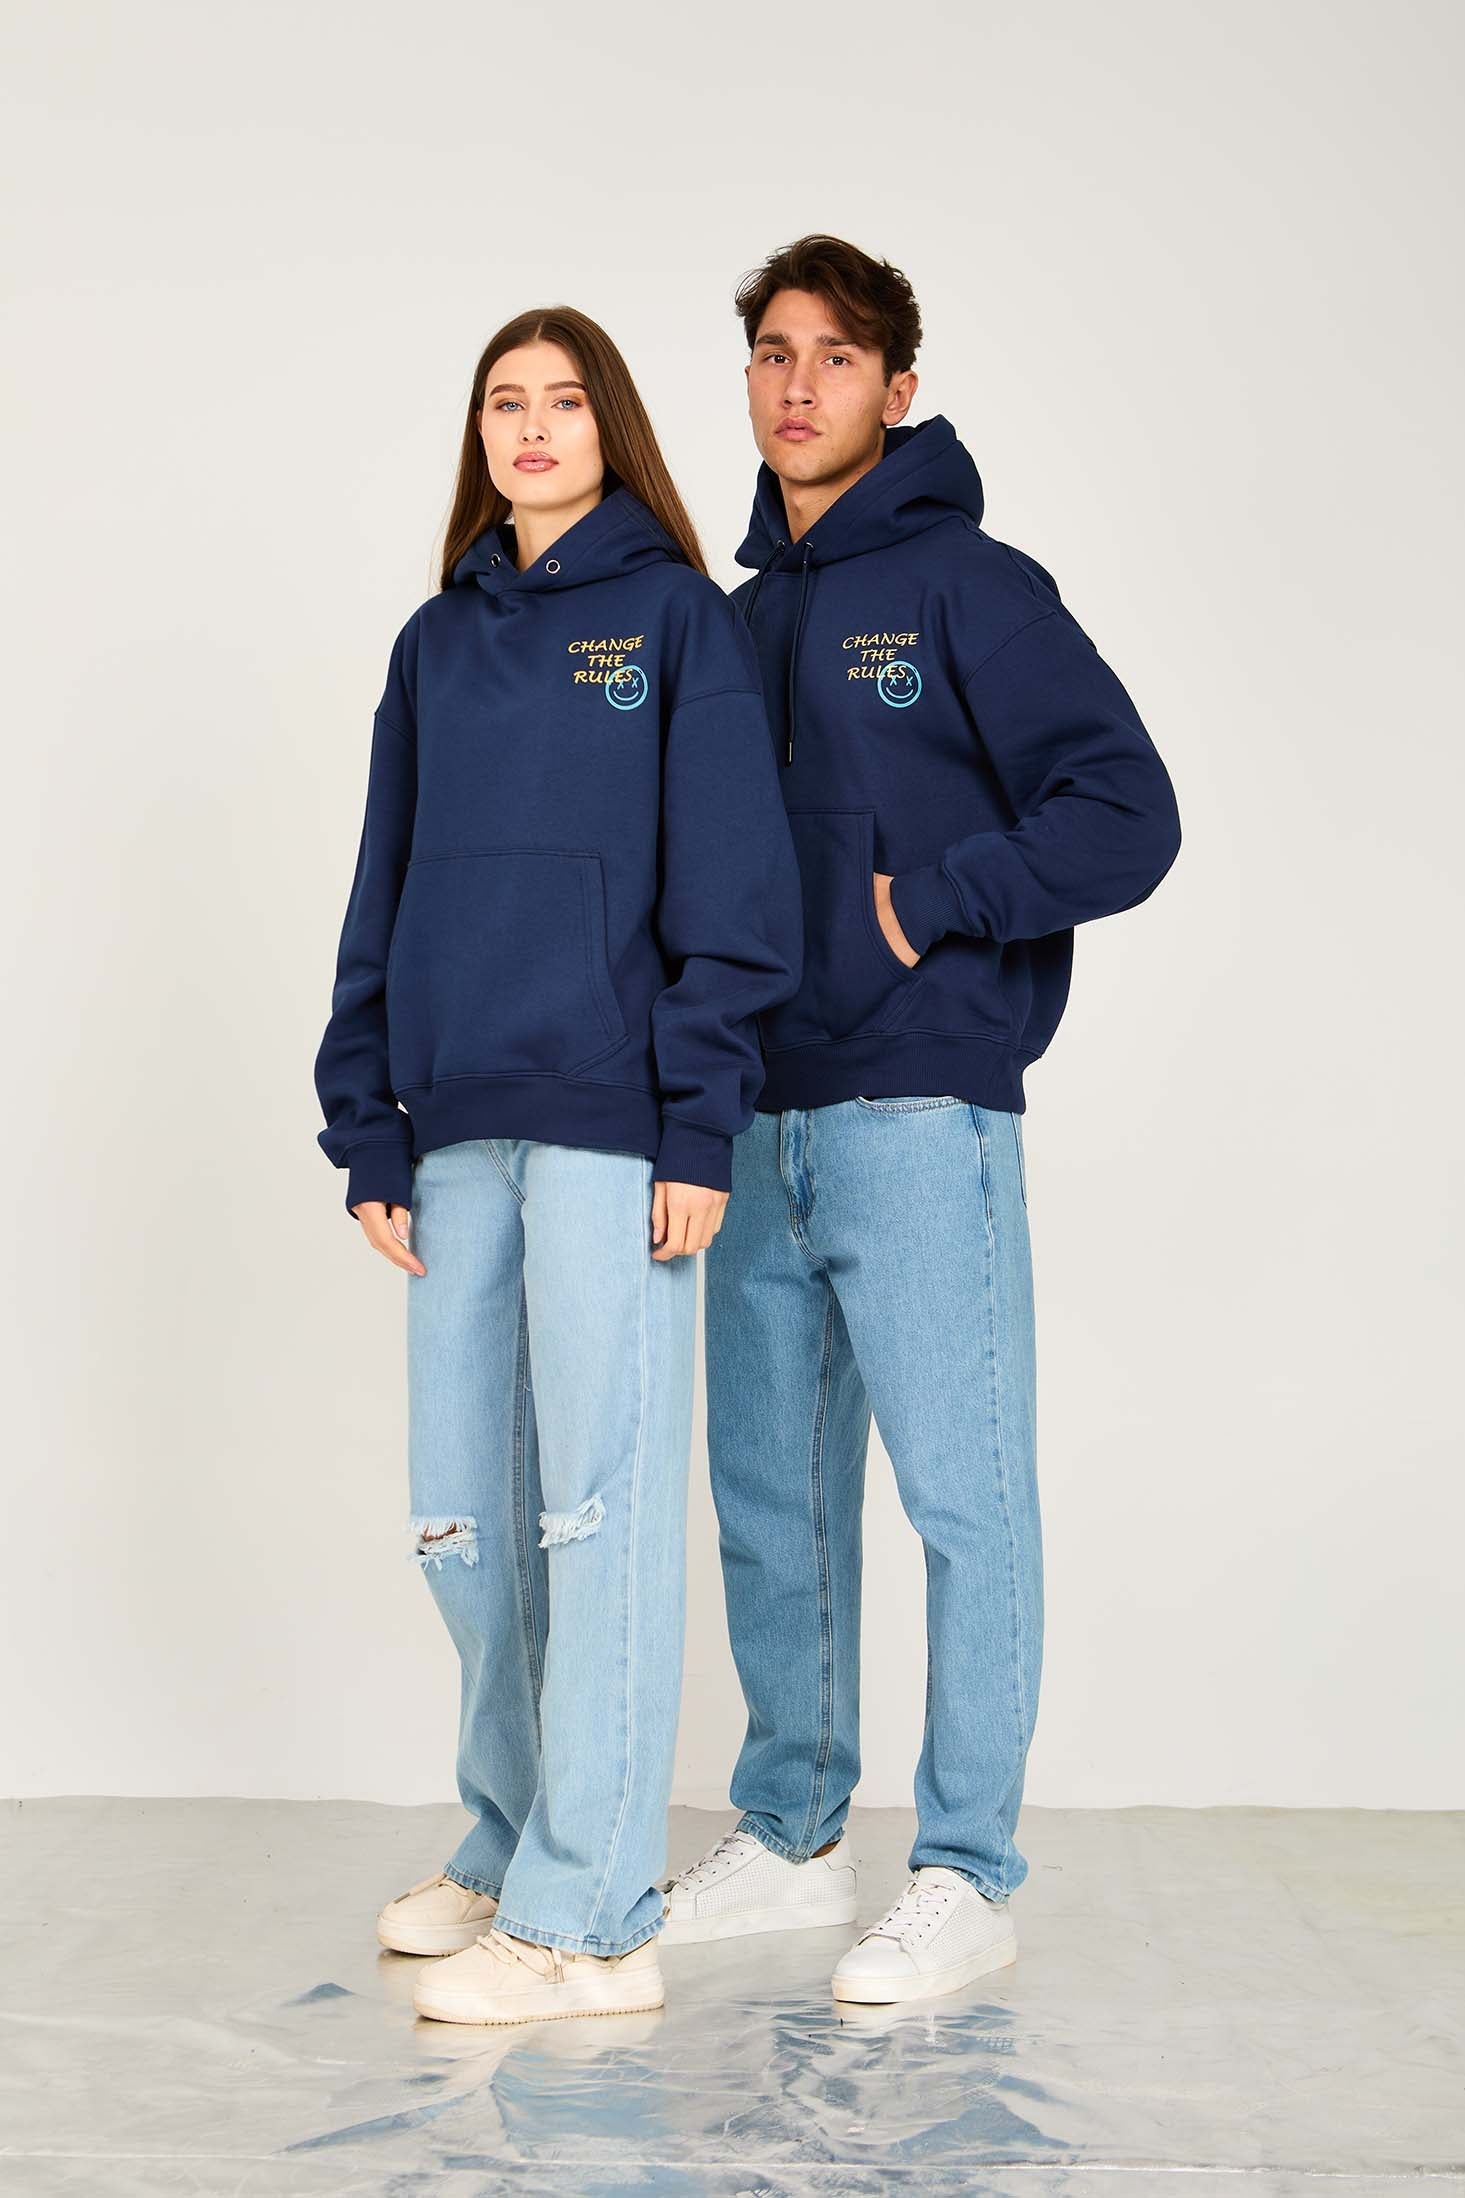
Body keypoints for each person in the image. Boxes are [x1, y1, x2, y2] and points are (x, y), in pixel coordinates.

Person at [660, 236, 1182, 2004]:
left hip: (917, 1104)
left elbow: (1125, 808)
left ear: (897, 387)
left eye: (833, 355)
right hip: (753, 1122)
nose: (795, 384)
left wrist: (929, 902)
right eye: (770, 353)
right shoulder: (729, 621)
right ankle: (794, 1832)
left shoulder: (969, 585)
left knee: (964, 1500)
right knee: (770, 1503)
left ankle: (965, 1868)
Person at [313, 306, 802, 2027]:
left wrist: (697, 1119)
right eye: (503, 402)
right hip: (451, 1129)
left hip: (610, 1128)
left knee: (596, 1513)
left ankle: (592, 1920)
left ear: (612, 428)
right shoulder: (434, 644)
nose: (531, 426)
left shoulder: (675, 619)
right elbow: (385, 878)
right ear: (480, 435)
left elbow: (732, 887)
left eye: (564, 400)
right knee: (464, 1518)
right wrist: (364, 1116)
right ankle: (513, 1835)